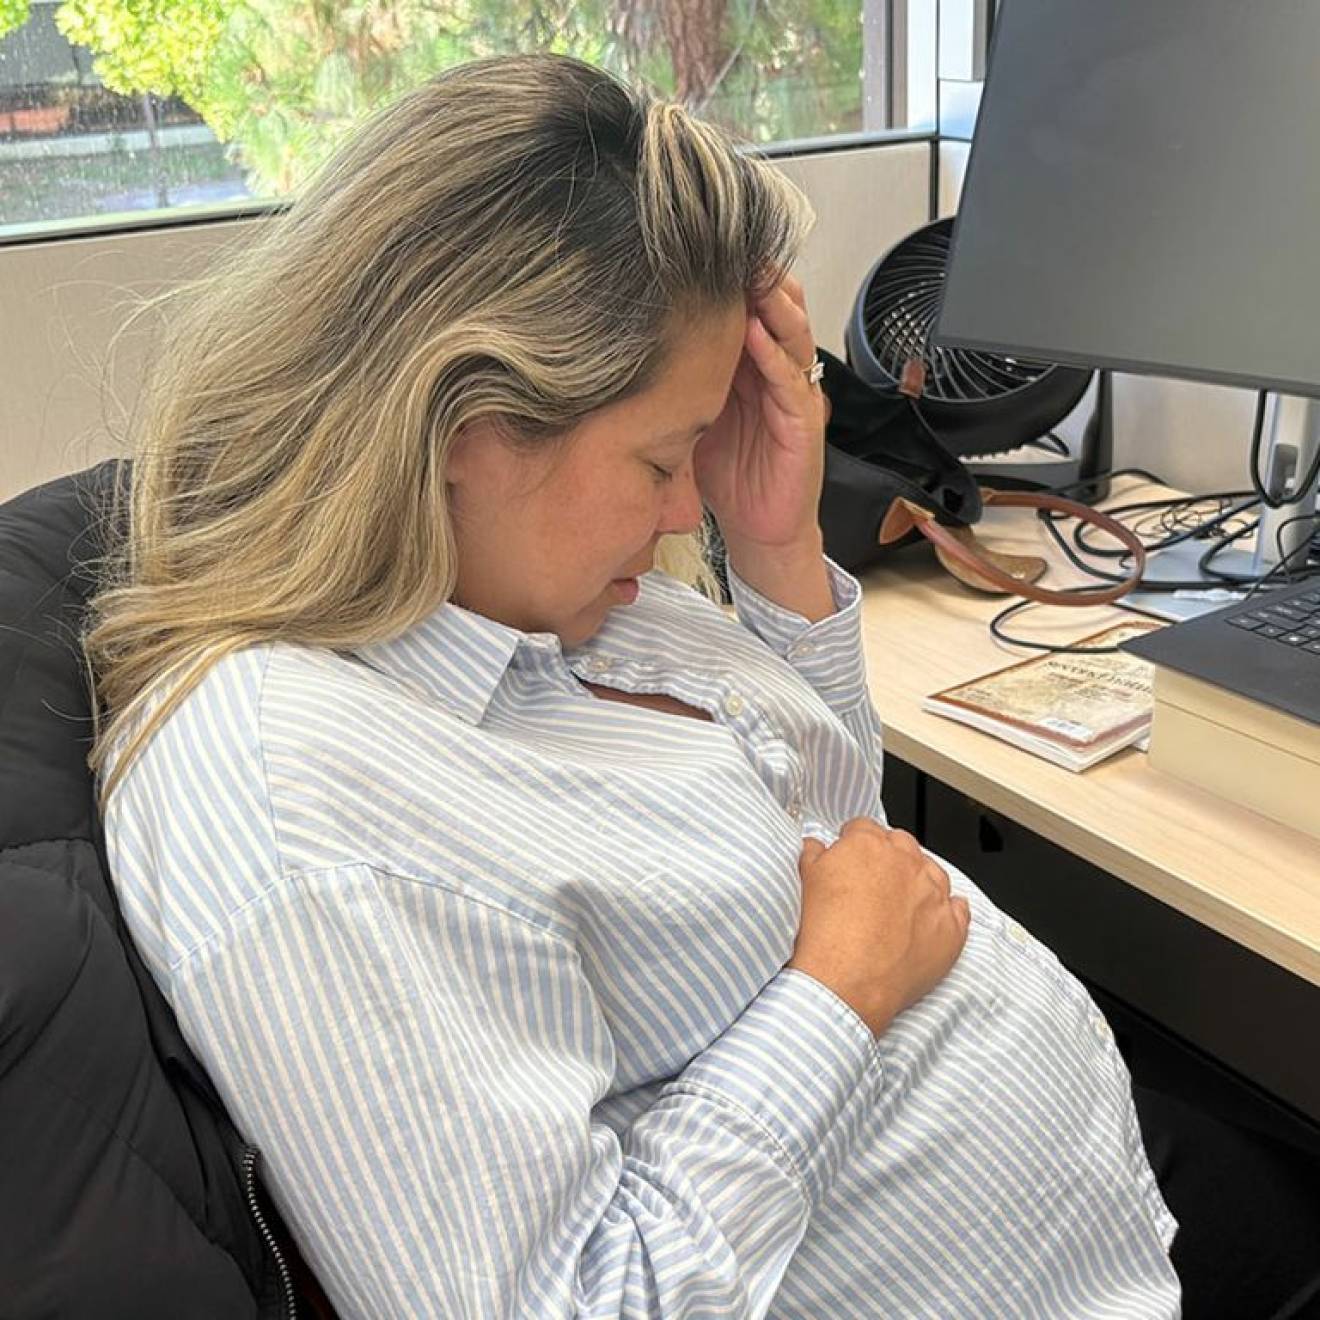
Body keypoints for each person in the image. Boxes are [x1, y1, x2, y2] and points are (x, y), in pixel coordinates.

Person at [82, 52, 1313, 1320]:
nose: (685, 506)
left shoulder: (537, 600)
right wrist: (835, 995)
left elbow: (845, 842)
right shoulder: (302, 804)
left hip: (1090, 1206)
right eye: (665, 455)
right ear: (465, 429)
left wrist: (775, 547)